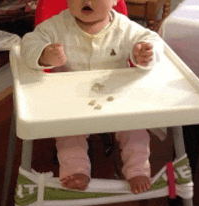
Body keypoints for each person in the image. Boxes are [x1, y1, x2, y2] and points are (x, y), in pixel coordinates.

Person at [21, 0, 164, 193]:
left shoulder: (124, 28)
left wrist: (145, 53)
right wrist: (43, 55)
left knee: (135, 128)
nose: (86, 1)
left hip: (116, 98)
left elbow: (153, 40)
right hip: (71, 100)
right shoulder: (56, 26)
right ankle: (76, 170)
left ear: (115, 1)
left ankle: (137, 169)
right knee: (68, 132)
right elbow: (29, 42)